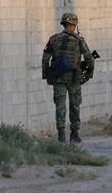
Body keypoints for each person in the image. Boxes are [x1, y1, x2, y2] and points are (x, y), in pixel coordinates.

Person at [41, 12, 95, 143]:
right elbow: (89, 58)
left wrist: (46, 75)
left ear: (64, 24)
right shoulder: (78, 40)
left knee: (60, 106)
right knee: (74, 105)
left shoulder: (53, 39)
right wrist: (89, 74)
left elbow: (45, 59)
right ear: (74, 25)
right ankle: (74, 134)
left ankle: (61, 135)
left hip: (58, 78)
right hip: (74, 79)